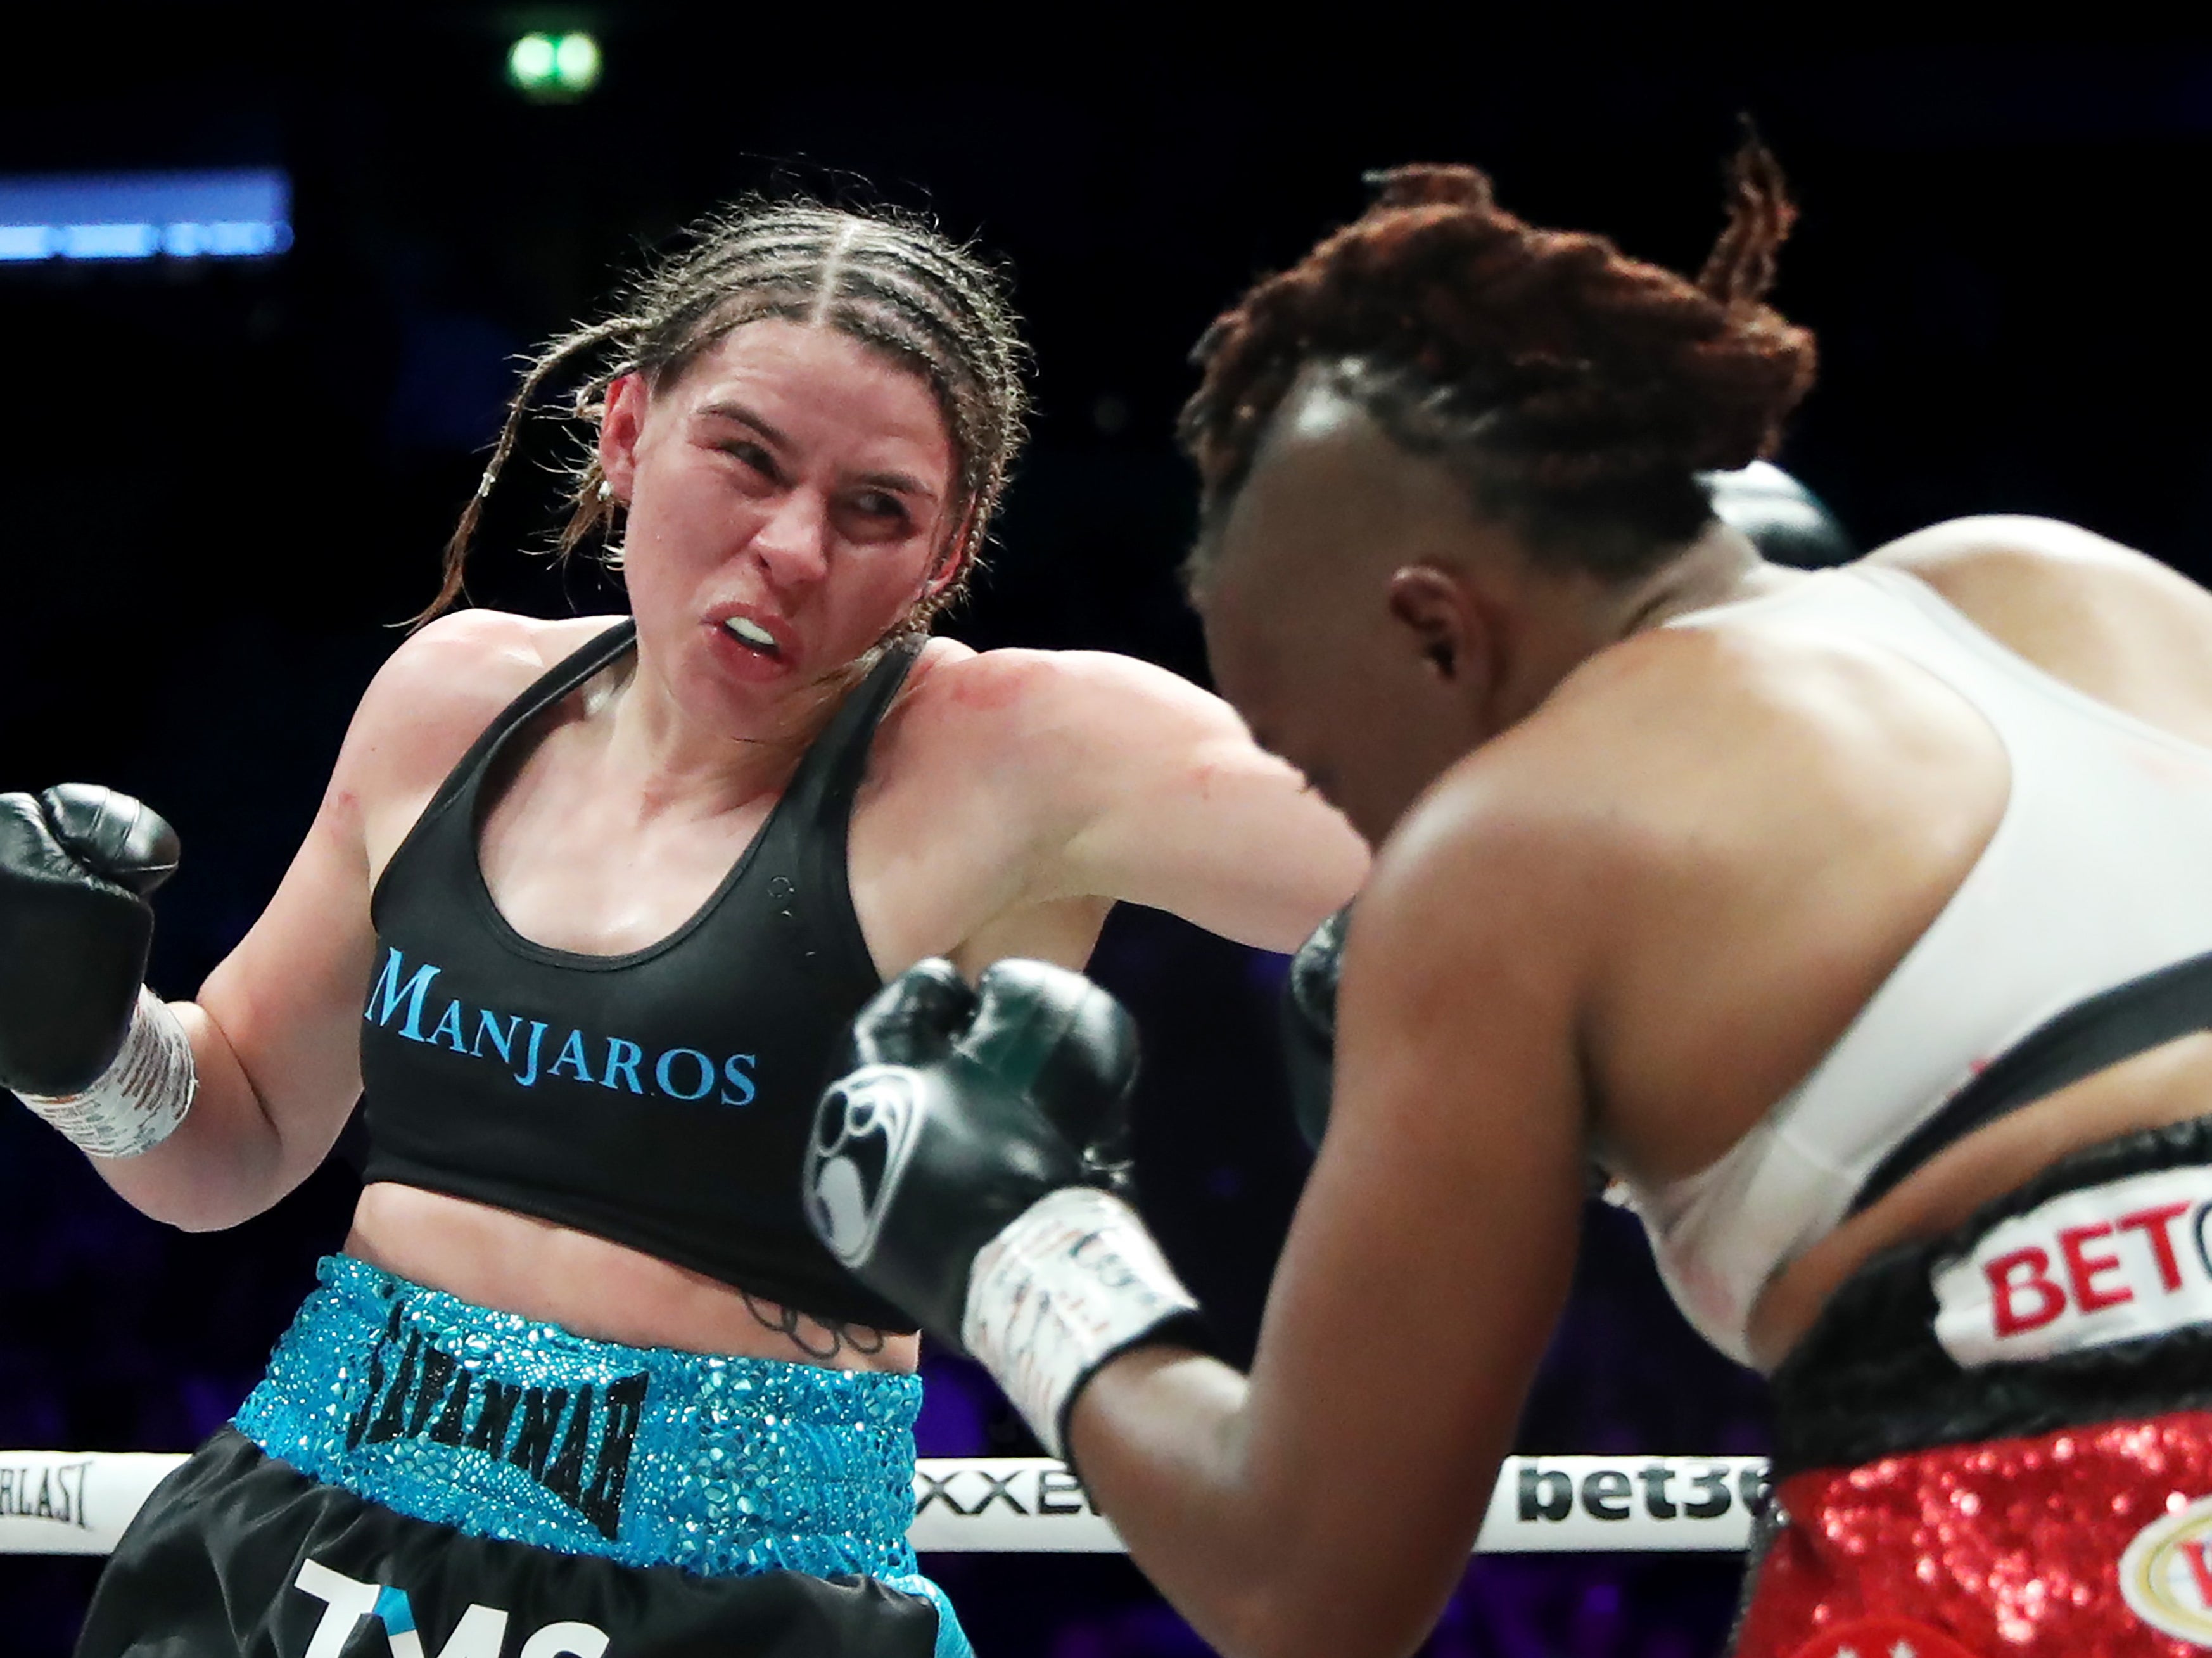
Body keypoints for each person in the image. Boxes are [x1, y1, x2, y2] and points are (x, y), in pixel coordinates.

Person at [806, 143, 2212, 1658]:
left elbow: (1309, 1590)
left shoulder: (1509, 847)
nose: (1353, 816)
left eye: (1324, 749)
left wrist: (1019, 1243)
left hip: (2061, 1540)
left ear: (1437, 629)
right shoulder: (2058, 582)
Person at [0, 200, 1368, 1657]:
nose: (789, 546)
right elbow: (239, 1131)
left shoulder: (1026, 753)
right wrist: (79, 1046)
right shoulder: (453, 697)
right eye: (748, 458)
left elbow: (1470, 864)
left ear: (947, 551)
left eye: (875, 509)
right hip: (303, 1548)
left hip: (737, 1598)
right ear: (630, 429)